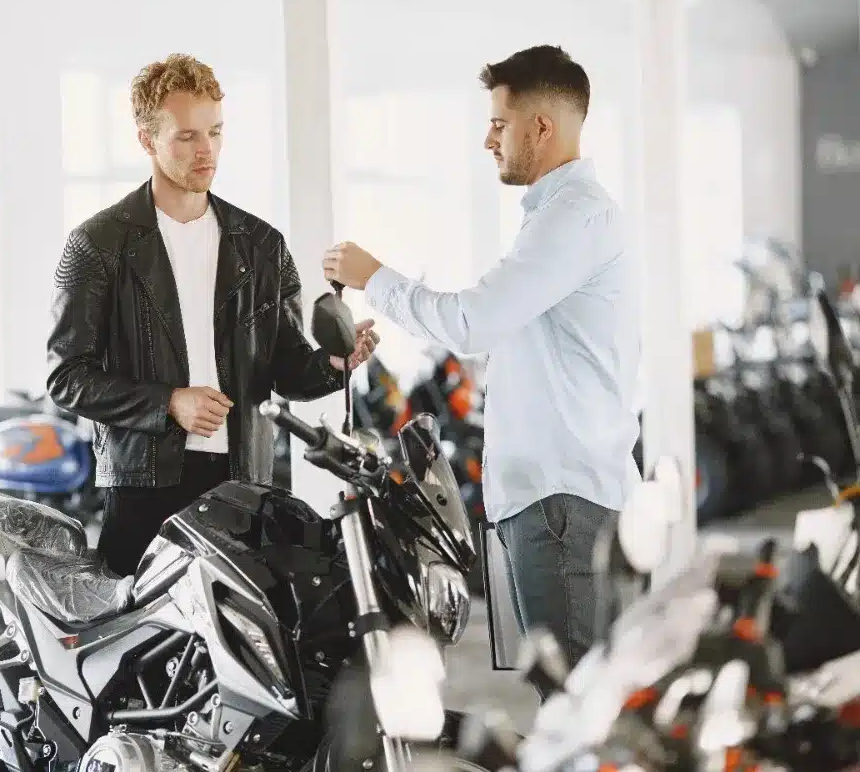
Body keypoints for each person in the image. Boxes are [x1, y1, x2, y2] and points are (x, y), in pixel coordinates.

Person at [322, 45, 641, 670]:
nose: (487, 140)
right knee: (567, 694)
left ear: (540, 127)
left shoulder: (573, 218)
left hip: (562, 507)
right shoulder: (559, 218)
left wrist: (374, 276)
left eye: (499, 123)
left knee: (574, 699)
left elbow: (471, 321)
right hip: (552, 502)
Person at [47, 53, 379, 577]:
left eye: (216, 132)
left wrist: (335, 364)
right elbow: (67, 379)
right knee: (141, 650)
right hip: (142, 489)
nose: (207, 150)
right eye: (186, 136)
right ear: (146, 139)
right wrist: (168, 403)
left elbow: (287, 371)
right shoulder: (97, 244)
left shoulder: (262, 245)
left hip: (245, 484)